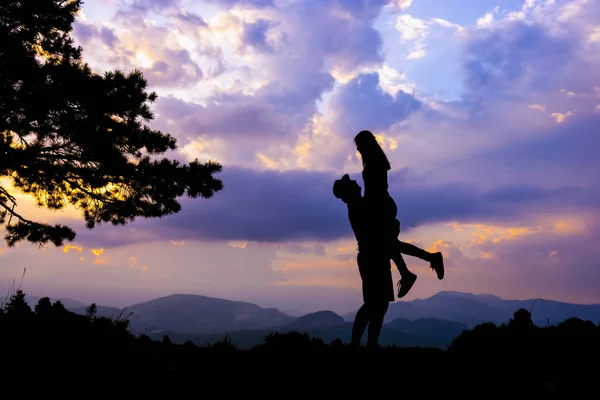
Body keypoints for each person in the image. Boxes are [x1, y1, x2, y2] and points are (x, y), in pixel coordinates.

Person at [353, 130, 444, 298]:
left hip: (380, 207)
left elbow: (374, 191)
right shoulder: (376, 161)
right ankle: (422, 263)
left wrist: (364, 206)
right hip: (381, 206)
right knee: (391, 244)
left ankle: (414, 269)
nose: (358, 150)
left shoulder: (374, 163)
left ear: (366, 144)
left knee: (389, 244)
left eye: (359, 146)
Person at [333, 174, 392, 348]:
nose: (356, 182)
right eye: (352, 183)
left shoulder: (360, 204)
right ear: (348, 192)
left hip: (374, 257)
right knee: (374, 303)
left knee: (379, 304)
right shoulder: (359, 206)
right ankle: (360, 343)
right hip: (372, 258)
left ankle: (367, 343)